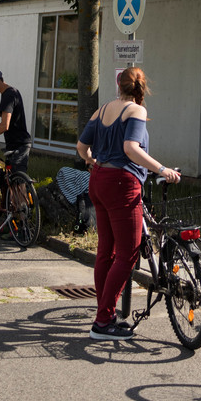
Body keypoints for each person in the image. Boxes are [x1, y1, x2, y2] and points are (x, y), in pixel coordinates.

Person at [76, 67, 179, 341]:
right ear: (141, 88)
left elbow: (81, 147)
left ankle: (105, 314)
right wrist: (162, 169)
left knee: (106, 252)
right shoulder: (136, 111)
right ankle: (102, 323)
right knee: (127, 255)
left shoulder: (101, 111)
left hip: (98, 180)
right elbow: (131, 148)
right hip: (122, 183)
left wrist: (92, 161)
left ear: (119, 85)